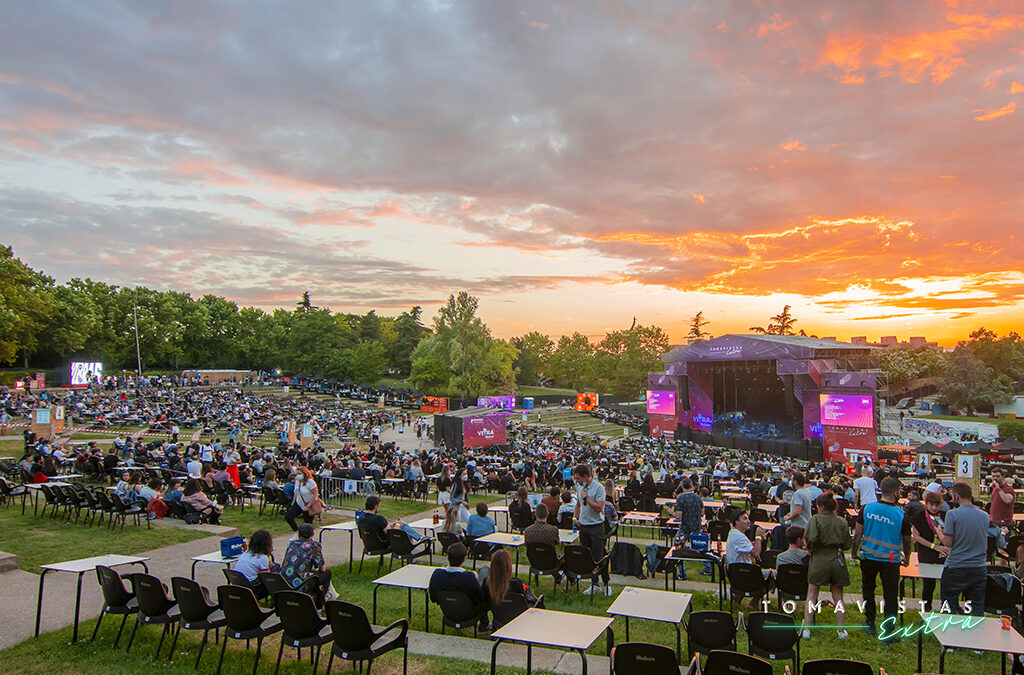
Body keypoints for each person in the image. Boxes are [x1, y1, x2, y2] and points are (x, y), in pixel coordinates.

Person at [852, 477, 911, 639]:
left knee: (868, 589)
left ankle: (870, 622)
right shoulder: (901, 515)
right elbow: (907, 540)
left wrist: (854, 552)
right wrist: (907, 557)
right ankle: (889, 630)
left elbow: (857, 534)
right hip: (891, 560)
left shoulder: (867, 509)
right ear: (895, 492)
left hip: (868, 557)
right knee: (891, 595)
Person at [802, 493, 851, 640]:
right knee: (838, 596)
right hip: (836, 558)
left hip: (819, 558)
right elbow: (847, 544)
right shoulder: (842, 522)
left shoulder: (815, 519)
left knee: (812, 594)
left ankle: (807, 629)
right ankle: (841, 630)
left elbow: (810, 540)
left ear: (821, 506)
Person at [940, 482, 988, 616]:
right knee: (976, 607)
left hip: (956, 566)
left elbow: (948, 543)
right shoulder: (984, 516)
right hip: (979, 567)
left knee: (949, 605)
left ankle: (949, 635)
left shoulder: (952, 514)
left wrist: (939, 533)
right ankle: (975, 635)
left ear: (956, 496)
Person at [428, 542, 487, 625]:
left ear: (447, 558)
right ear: (464, 559)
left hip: (448, 612)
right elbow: (480, 599)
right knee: (484, 571)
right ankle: (485, 624)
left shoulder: (437, 575)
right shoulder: (469, 578)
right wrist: (475, 580)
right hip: (469, 615)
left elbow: (433, 598)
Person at [572, 464, 610, 595]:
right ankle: (594, 584)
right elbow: (578, 504)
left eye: (578, 478)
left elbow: (599, 507)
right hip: (584, 526)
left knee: (599, 556)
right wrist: (574, 518)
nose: (576, 480)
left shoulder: (598, 488)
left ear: (585, 476)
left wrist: (586, 498)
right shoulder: (580, 488)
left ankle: (606, 583)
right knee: (587, 557)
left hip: (596, 527)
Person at [910, 490, 949, 611]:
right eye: (931, 505)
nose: (933, 507)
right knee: (928, 584)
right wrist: (934, 546)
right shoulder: (919, 516)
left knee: (946, 583)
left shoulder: (945, 515)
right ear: (926, 504)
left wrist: (946, 549)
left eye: (936, 505)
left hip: (943, 553)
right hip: (926, 553)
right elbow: (916, 536)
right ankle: (926, 608)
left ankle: (946, 608)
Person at [484, 549, 541, 625]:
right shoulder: (517, 583)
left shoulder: (487, 583)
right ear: (509, 566)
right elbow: (529, 601)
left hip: (499, 620)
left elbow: (485, 605)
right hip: (519, 622)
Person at [281, 524, 332, 603]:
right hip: (301, 585)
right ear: (312, 534)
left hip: (285, 583)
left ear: (298, 534)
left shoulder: (291, 544)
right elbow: (322, 568)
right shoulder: (314, 545)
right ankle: (319, 603)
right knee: (327, 572)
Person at [357, 494, 424, 542]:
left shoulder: (360, 519)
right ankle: (420, 539)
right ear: (375, 506)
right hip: (382, 544)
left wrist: (392, 526)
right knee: (403, 530)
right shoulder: (379, 519)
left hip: (369, 544)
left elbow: (361, 536)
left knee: (400, 526)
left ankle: (420, 537)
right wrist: (398, 525)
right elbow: (392, 534)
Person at [233, 529, 279, 599]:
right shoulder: (262, 557)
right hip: (252, 587)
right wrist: (269, 567)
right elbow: (266, 577)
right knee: (276, 567)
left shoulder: (246, 553)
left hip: (239, 583)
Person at [285, 466, 319, 533]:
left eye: (299, 474)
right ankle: (297, 532)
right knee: (289, 517)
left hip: (308, 504)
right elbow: (296, 492)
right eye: (296, 474)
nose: (298, 476)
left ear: (304, 473)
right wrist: (293, 503)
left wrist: (308, 505)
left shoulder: (310, 482)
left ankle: (309, 538)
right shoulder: (297, 481)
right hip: (299, 503)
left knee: (308, 524)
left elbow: (315, 494)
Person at [988, 468, 1014, 547]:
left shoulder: (1008, 489)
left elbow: (1008, 500)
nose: (995, 478)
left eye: (997, 476)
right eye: (993, 476)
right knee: (993, 546)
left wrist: (999, 489)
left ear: (1003, 476)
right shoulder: (994, 489)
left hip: (1004, 522)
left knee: (1003, 546)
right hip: (994, 521)